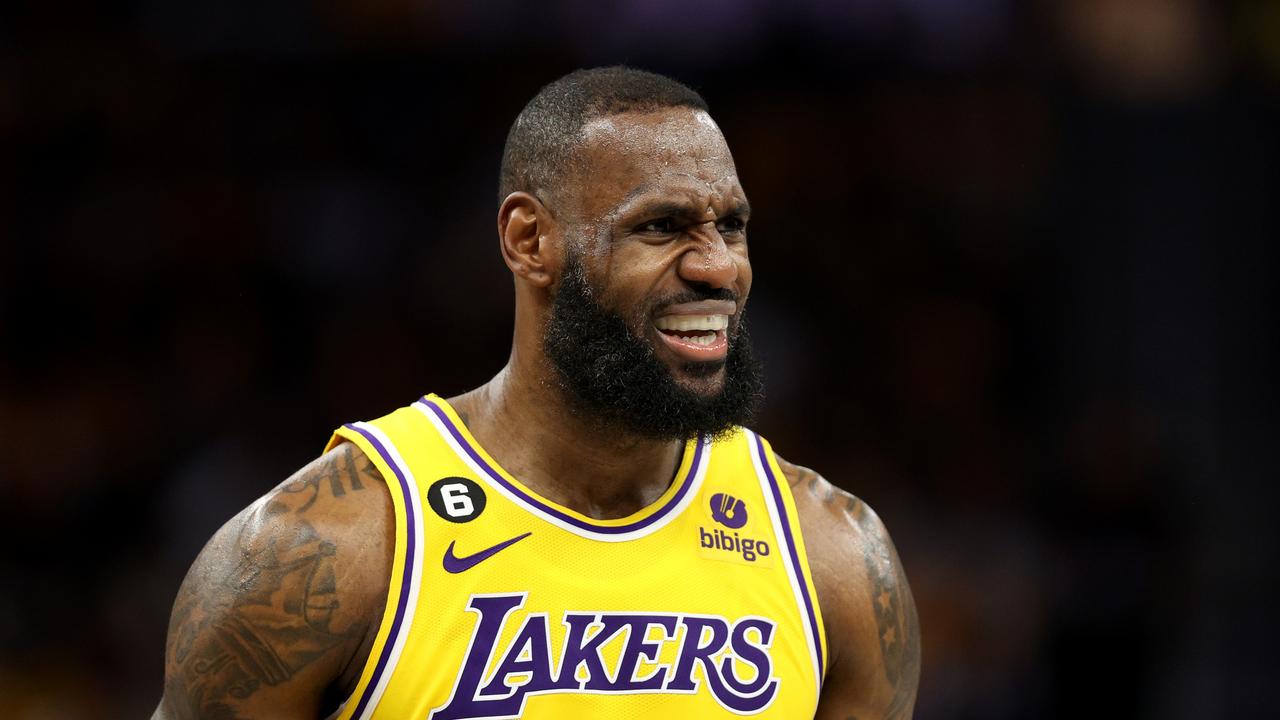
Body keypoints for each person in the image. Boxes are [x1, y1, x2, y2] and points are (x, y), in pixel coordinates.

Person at [154, 66, 920, 720]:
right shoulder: (322, 550)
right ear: (529, 242)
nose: (720, 267)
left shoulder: (835, 558)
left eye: (732, 225)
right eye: (662, 227)